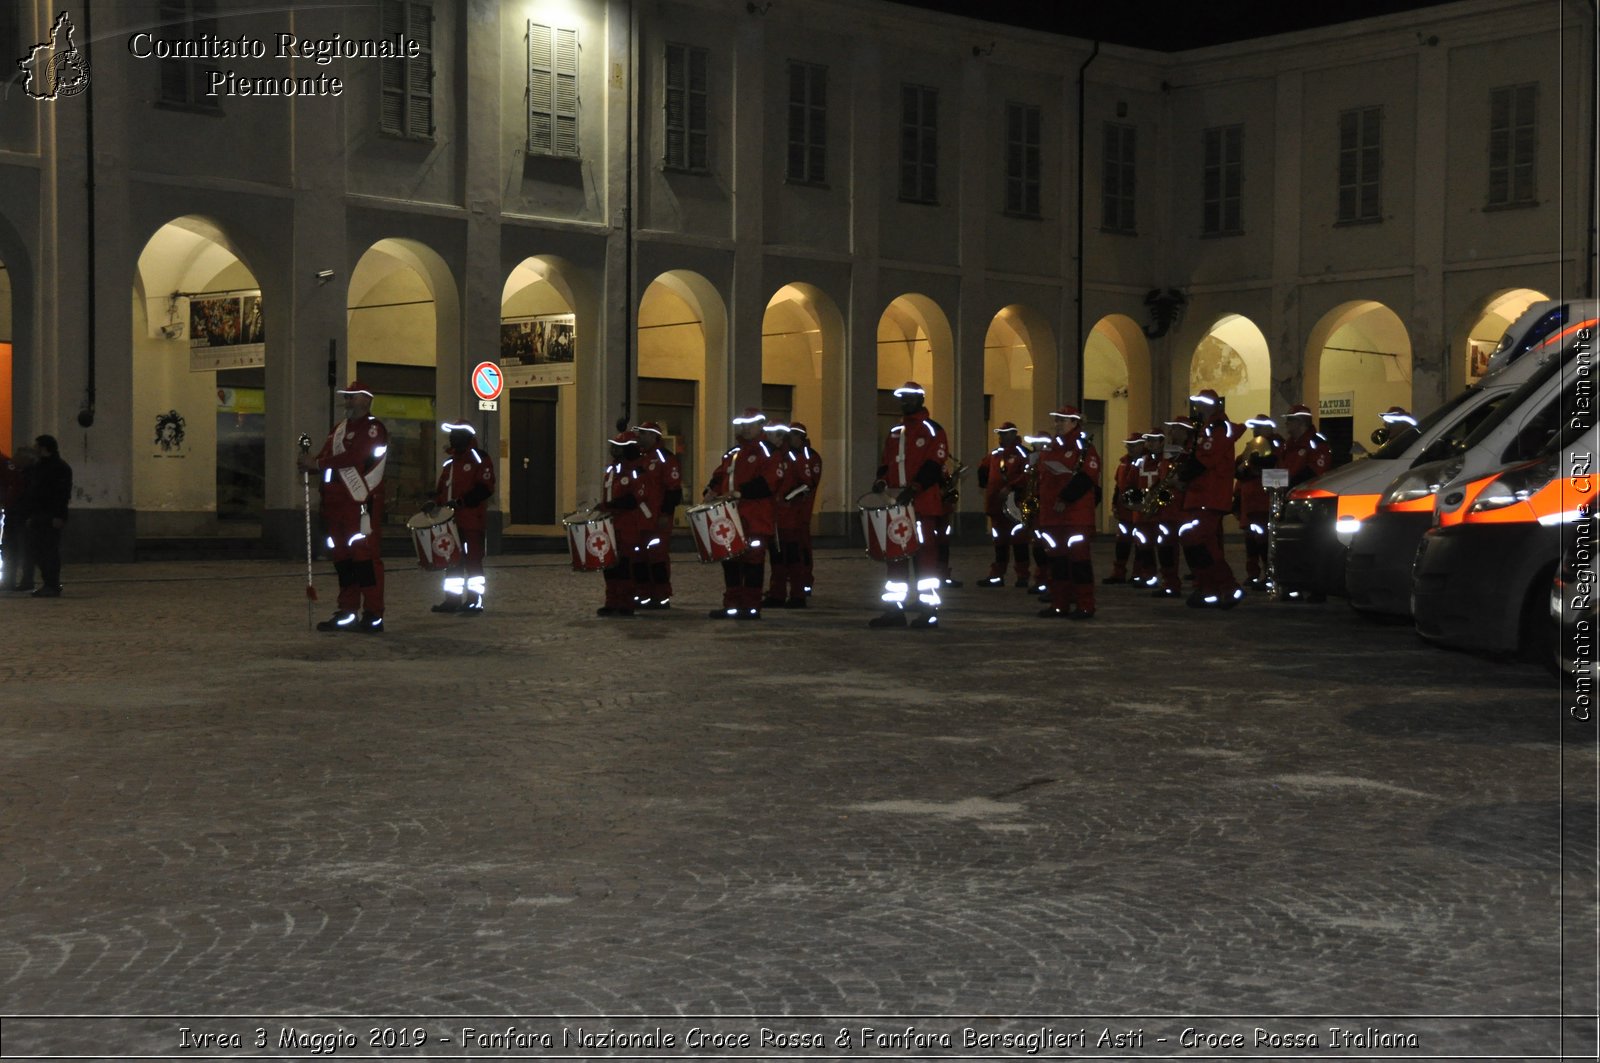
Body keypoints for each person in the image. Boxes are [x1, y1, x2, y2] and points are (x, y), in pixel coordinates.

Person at [298, 381, 389, 632]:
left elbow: (355, 457)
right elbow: (327, 459)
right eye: (347, 397)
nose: (348, 401)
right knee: (342, 560)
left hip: (360, 503)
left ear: (367, 400)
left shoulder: (374, 429)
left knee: (365, 560)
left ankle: (373, 613)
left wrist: (317, 464)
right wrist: (310, 462)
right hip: (335, 503)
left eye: (353, 397)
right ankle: (347, 611)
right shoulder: (338, 430)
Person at [869, 381, 950, 629]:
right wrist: (881, 480)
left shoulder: (932, 430)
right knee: (896, 557)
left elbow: (934, 465)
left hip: (923, 504)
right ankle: (894, 610)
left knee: (925, 558)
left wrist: (914, 489)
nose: (905, 402)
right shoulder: (895, 431)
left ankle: (928, 611)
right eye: (902, 398)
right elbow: (886, 462)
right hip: (897, 505)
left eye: (910, 398)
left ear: (920, 400)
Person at [704, 408, 780, 619]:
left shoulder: (769, 452)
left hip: (756, 518)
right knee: (730, 560)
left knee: (753, 562)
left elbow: (769, 482)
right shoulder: (733, 453)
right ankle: (732, 604)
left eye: (750, 424)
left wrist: (740, 492)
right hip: (731, 517)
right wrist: (710, 490)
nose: (745, 428)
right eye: (743, 424)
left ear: (760, 425)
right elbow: (719, 475)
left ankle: (751, 606)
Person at [1176, 388, 1244, 609]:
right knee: (1195, 541)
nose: (1198, 407)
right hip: (1200, 495)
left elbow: (1206, 459)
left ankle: (1227, 587)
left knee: (1202, 542)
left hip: (1209, 494)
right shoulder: (1207, 429)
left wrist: (1181, 477)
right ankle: (1209, 589)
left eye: (1202, 403)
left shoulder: (1218, 429)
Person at [1033, 406, 1101, 619]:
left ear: (1074, 423)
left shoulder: (1084, 448)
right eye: (1057, 420)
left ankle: (1085, 605)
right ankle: (1059, 604)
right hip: (1052, 516)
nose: (1058, 424)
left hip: (1074, 515)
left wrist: (1066, 498)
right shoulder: (1051, 448)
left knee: (1079, 562)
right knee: (1057, 563)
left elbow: (1086, 477)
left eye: (1063, 420)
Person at [428, 422, 496, 614]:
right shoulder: (449, 463)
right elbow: (442, 489)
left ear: (466, 436)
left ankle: (475, 600)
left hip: (471, 520)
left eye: (455, 434)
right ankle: (452, 599)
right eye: (451, 434)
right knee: (452, 561)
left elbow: (485, 487)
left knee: (473, 561)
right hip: (451, 522)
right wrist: (434, 502)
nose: (451, 438)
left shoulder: (479, 458)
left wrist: (461, 502)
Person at [596, 429, 659, 617]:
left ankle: (625, 602)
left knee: (624, 564)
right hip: (611, 523)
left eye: (618, 447)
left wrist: (609, 506)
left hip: (628, 523)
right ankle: (611, 601)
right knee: (609, 564)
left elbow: (635, 498)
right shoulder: (612, 469)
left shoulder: (637, 470)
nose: (613, 450)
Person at [766, 421, 822, 608]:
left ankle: (798, 594)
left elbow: (807, 484)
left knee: (792, 557)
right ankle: (777, 593)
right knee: (777, 558)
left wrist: (786, 498)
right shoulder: (773, 456)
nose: (767, 437)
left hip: (790, 517)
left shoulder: (794, 457)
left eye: (772, 434)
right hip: (775, 517)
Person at [632, 420, 683, 609]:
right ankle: (642, 594)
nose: (639, 437)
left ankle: (661, 596)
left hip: (657, 519)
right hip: (639, 520)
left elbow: (673, 490)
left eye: (644, 433)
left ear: (654, 436)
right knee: (639, 557)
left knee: (657, 557)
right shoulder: (639, 458)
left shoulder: (666, 458)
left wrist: (666, 513)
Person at [977, 422, 1031, 588]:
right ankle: (997, 575)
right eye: (1000, 433)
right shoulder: (994, 454)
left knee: (1019, 541)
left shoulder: (1023, 453)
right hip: (996, 506)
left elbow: (1028, 475)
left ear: (1014, 434)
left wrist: (1011, 487)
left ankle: (1022, 575)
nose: (1002, 436)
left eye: (1005, 433)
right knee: (999, 542)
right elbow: (983, 470)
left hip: (1015, 505)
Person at [1234, 414, 1281, 590]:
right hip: (1249, 501)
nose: (1256, 430)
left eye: (1259, 427)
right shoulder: (1251, 447)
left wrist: (1252, 464)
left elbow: (1270, 463)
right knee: (1251, 540)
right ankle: (1252, 574)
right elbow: (1238, 468)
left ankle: (1269, 575)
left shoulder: (1275, 445)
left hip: (1264, 501)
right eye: (1254, 427)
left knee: (1264, 541)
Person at [23, 435, 71, 597]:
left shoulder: (60, 468)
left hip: (50, 515)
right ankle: (48, 582)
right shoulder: (39, 466)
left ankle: (52, 583)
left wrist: (59, 516)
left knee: (49, 550)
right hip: (38, 514)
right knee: (37, 550)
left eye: (36, 446)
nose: (34, 449)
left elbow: (62, 494)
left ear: (44, 448)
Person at [1147, 422, 1189, 598]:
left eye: (1176, 428)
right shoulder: (1166, 455)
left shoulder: (1189, 454)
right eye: (1172, 429)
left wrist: (1176, 483)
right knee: (1165, 549)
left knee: (1191, 548)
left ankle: (1203, 584)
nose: (1172, 432)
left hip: (1184, 508)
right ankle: (1169, 583)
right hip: (1167, 510)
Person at [1103, 432, 1145, 584]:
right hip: (1124, 509)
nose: (1130, 448)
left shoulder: (1146, 462)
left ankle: (1138, 573)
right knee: (1122, 543)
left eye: (1133, 445)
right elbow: (1118, 486)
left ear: (1142, 445)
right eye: (1129, 445)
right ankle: (1119, 572)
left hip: (1140, 508)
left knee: (1141, 543)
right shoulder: (1124, 463)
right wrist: (1115, 504)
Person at [1, 445, 33, 592]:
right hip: (13, 512)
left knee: (21, 548)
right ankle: (10, 580)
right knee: (11, 548)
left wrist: (6, 502)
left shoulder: (8, 466)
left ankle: (21, 580)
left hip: (20, 513)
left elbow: (15, 489)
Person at [1279, 403, 1333, 488]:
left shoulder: (1317, 443)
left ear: (1301, 422)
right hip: (1286, 493)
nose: (1286, 423)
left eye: (1290, 419)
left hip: (1304, 493)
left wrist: (1291, 484)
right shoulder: (1288, 444)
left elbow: (1316, 472)